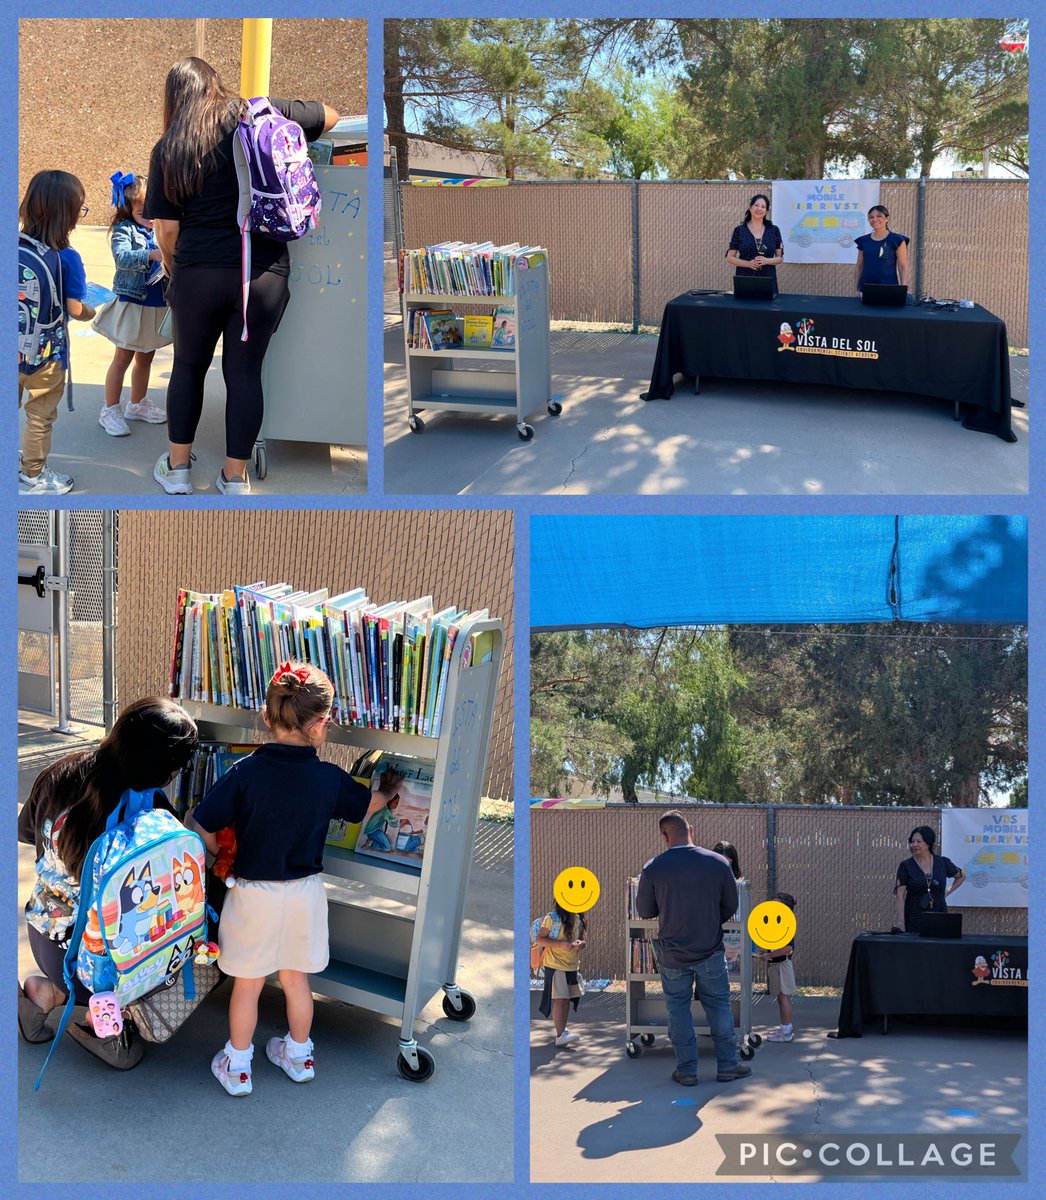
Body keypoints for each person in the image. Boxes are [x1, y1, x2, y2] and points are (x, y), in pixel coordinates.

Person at [191, 660, 402, 1096]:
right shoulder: (328, 778)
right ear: (321, 724)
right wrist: (388, 792)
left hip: (252, 894)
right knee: (296, 980)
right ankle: (300, 1055)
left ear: (267, 718)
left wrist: (217, 855)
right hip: (305, 894)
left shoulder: (245, 772)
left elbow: (202, 821)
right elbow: (365, 806)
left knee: (247, 986)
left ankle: (237, 1067)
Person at [144, 58, 338, 497]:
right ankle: (235, 477)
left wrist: (176, 269)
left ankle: (177, 471)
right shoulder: (259, 114)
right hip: (263, 272)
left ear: (174, 97)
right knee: (245, 374)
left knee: (189, 368)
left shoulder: (169, 148)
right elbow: (330, 114)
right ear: (216, 84)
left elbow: (168, 230)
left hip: (197, 274)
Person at [17, 697, 199, 1068]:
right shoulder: (151, 813)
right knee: (186, 951)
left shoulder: (60, 772)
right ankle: (97, 1020)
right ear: (159, 771)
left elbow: (27, 834)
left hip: (43, 933)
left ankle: (46, 993)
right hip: (93, 967)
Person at [636, 810, 751, 1086]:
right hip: (710, 949)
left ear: (665, 835)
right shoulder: (719, 863)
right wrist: (710, 920)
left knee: (677, 1010)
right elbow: (731, 906)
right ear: (691, 829)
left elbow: (644, 911)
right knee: (719, 1007)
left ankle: (687, 1070)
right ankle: (727, 1066)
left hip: (673, 955)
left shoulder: (653, 868)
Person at [18, 170, 97, 495]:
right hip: (45, 358)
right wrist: (93, 309)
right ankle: (32, 477)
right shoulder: (67, 258)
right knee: (39, 416)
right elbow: (76, 309)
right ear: (68, 214)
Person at [93, 170, 171, 437]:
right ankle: (110, 409)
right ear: (128, 208)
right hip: (132, 302)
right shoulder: (124, 230)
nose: (150, 217)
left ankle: (137, 404)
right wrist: (152, 253)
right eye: (142, 211)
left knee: (146, 356)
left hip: (155, 303)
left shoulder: (161, 227)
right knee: (122, 357)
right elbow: (122, 257)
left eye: (153, 210)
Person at [892, 825, 964, 934]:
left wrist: (947, 892)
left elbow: (961, 876)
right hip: (914, 916)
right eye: (912, 841)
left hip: (939, 915)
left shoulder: (942, 863)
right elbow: (900, 895)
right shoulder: (906, 866)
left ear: (928, 843)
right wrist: (900, 922)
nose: (914, 845)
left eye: (919, 841)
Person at [535, 900, 588, 1047]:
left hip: (571, 965)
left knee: (565, 1000)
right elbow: (540, 939)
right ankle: (560, 1035)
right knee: (561, 999)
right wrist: (560, 945)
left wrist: (580, 944)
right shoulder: (552, 918)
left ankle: (563, 1032)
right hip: (555, 964)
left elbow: (582, 940)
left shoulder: (578, 918)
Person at [757, 892, 796, 1043]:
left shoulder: (787, 925)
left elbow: (787, 948)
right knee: (781, 997)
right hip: (776, 965)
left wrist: (769, 956)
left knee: (784, 997)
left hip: (782, 965)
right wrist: (766, 953)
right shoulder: (777, 925)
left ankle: (786, 1031)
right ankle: (786, 1026)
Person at [726, 193, 783, 294]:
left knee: (767, 308)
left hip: (768, 278)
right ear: (750, 207)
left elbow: (780, 258)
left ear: (766, 211)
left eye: (763, 206)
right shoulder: (740, 230)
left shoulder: (774, 230)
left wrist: (767, 261)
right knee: (745, 308)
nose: (759, 209)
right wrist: (748, 264)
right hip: (745, 278)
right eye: (756, 205)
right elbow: (730, 257)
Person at [854, 205, 910, 293]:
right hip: (867, 289)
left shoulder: (897, 240)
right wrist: (857, 289)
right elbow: (859, 266)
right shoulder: (864, 241)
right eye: (871, 217)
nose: (875, 219)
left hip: (889, 289)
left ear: (887, 219)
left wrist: (903, 289)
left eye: (879, 216)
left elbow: (903, 266)